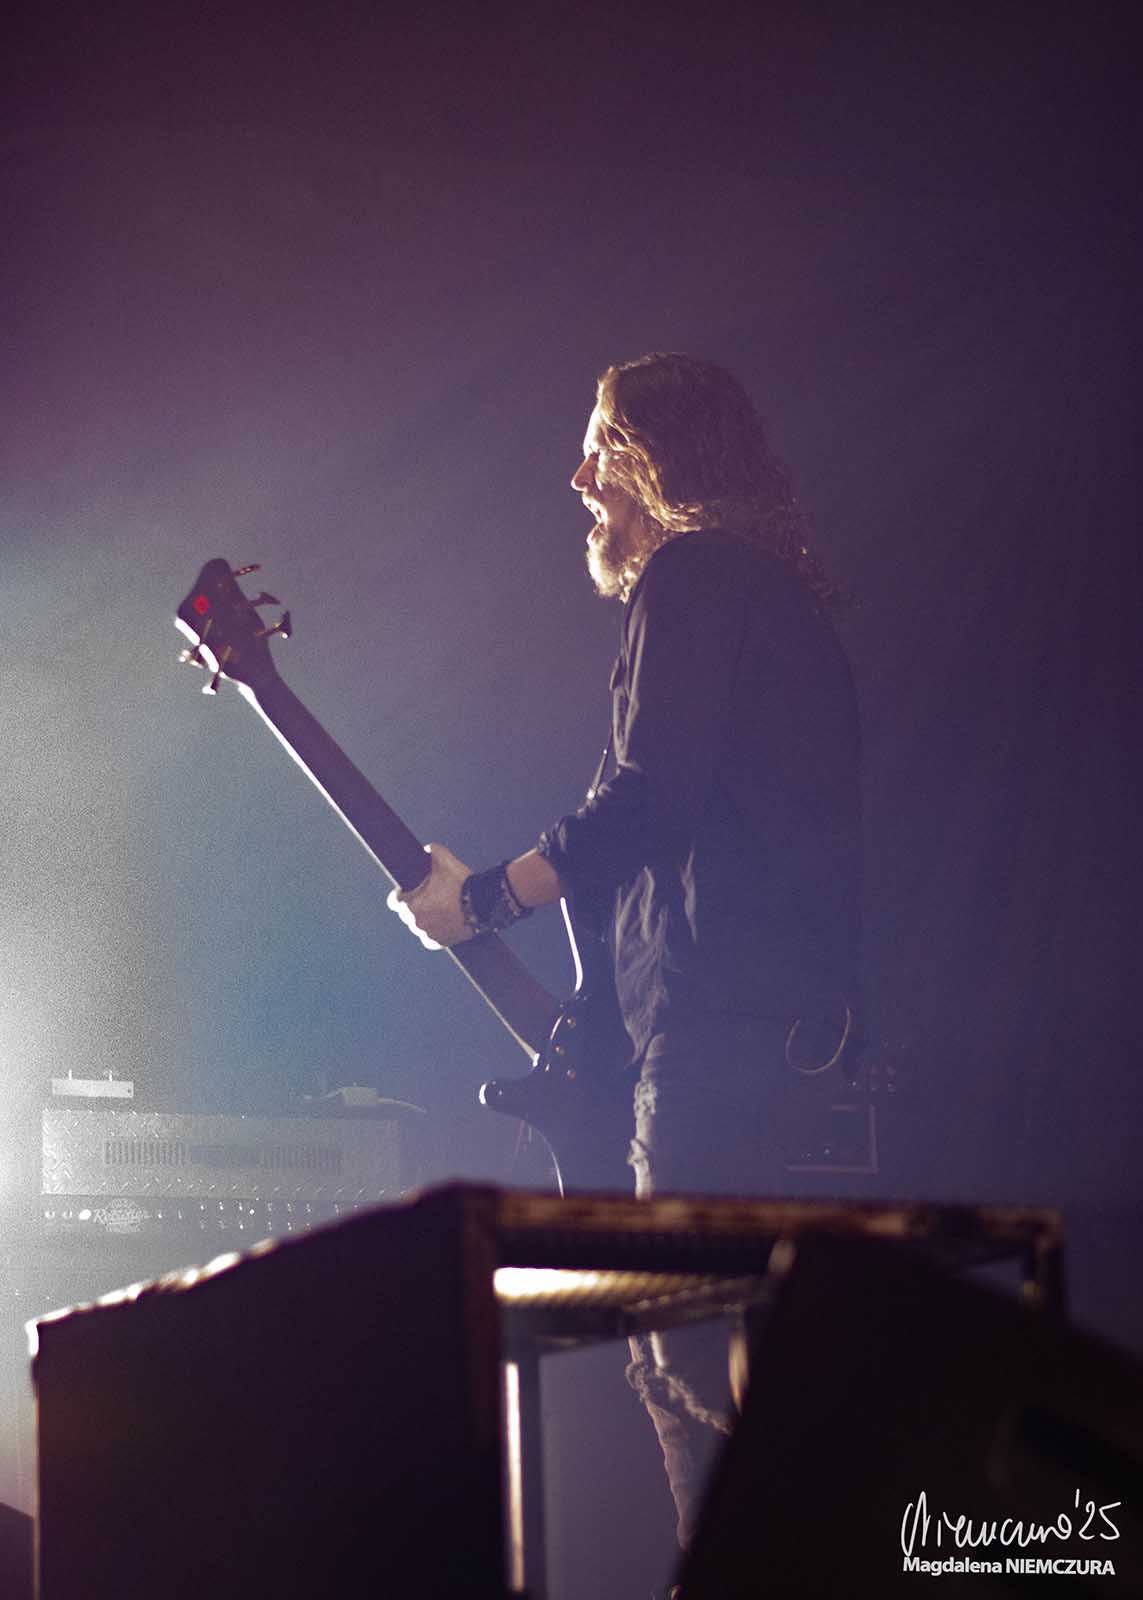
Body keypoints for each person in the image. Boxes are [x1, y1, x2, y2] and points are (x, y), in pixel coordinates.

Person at [388, 352, 861, 1552]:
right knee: (684, 1356)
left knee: (685, 1348)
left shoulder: (695, 575)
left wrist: (483, 898)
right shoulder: (767, 591)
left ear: (659, 456)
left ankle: (849, 1522)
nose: (578, 474)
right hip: (740, 1026)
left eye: (600, 442)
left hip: (711, 1031)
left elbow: (646, 801)